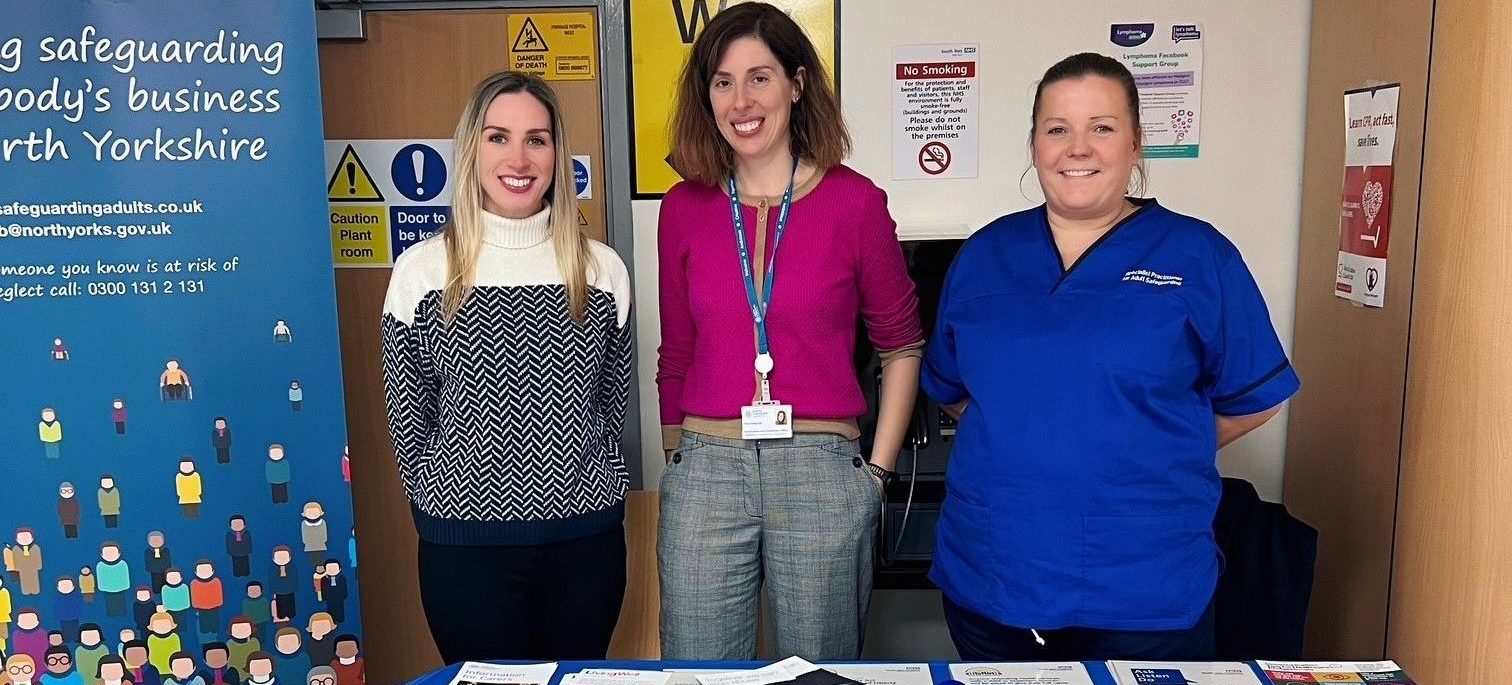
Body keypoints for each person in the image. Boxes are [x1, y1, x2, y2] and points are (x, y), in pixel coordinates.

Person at [919, 52, 1301, 662]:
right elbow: (955, 389)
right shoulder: (986, 256)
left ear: (1135, 143)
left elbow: (1254, 400)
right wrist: (1038, 437)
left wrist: (1153, 449)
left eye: (1101, 127)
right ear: (1035, 144)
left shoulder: (1197, 256)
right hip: (993, 578)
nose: (1078, 148)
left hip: (1145, 590)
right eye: (1057, 129)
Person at [654, 2, 922, 660]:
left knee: (818, 672)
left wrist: (875, 477)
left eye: (760, 77)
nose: (741, 100)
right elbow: (677, 352)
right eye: (723, 81)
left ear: (797, 84)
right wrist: (681, 462)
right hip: (707, 469)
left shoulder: (855, 202)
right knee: (698, 674)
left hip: (822, 470)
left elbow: (902, 344)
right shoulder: (683, 208)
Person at [379, 70, 633, 663]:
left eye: (536, 139)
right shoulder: (422, 272)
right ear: (473, 149)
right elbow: (407, 414)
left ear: (556, 152)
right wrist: (444, 503)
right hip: (466, 554)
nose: (518, 157)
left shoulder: (601, 270)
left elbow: (611, 408)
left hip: (586, 548)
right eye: (498, 137)